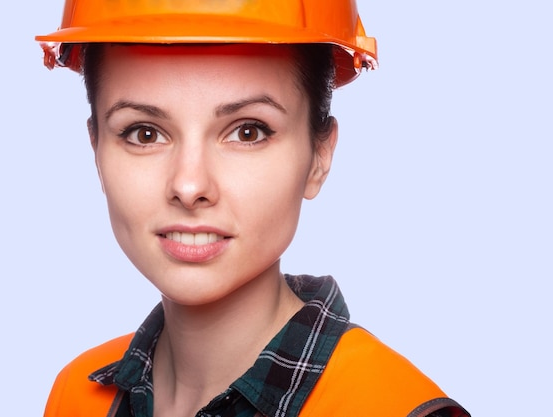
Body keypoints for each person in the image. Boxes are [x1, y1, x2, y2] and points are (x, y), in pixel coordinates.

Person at [36, 1, 470, 416]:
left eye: (248, 132)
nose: (189, 186)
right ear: (96, 150)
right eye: (144, 134)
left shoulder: (389, 408)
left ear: (319, 156)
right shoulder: (77, 396)